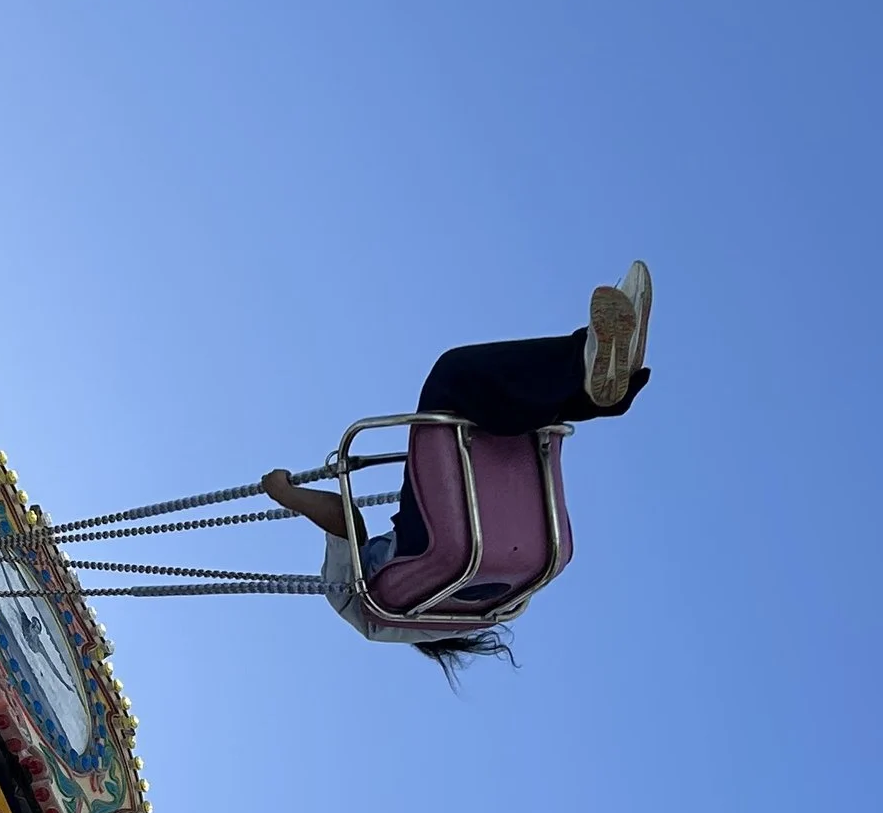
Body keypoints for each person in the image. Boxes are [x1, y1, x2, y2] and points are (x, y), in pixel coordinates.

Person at [262, 264, 652, 660]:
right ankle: (586, 363)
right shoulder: (359, 606)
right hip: (431, 544)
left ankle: (601, 383)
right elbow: (343, 519)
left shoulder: (476, 613)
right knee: (453, 379)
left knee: (501, 421)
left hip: (522, 547)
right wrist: (283, 492)